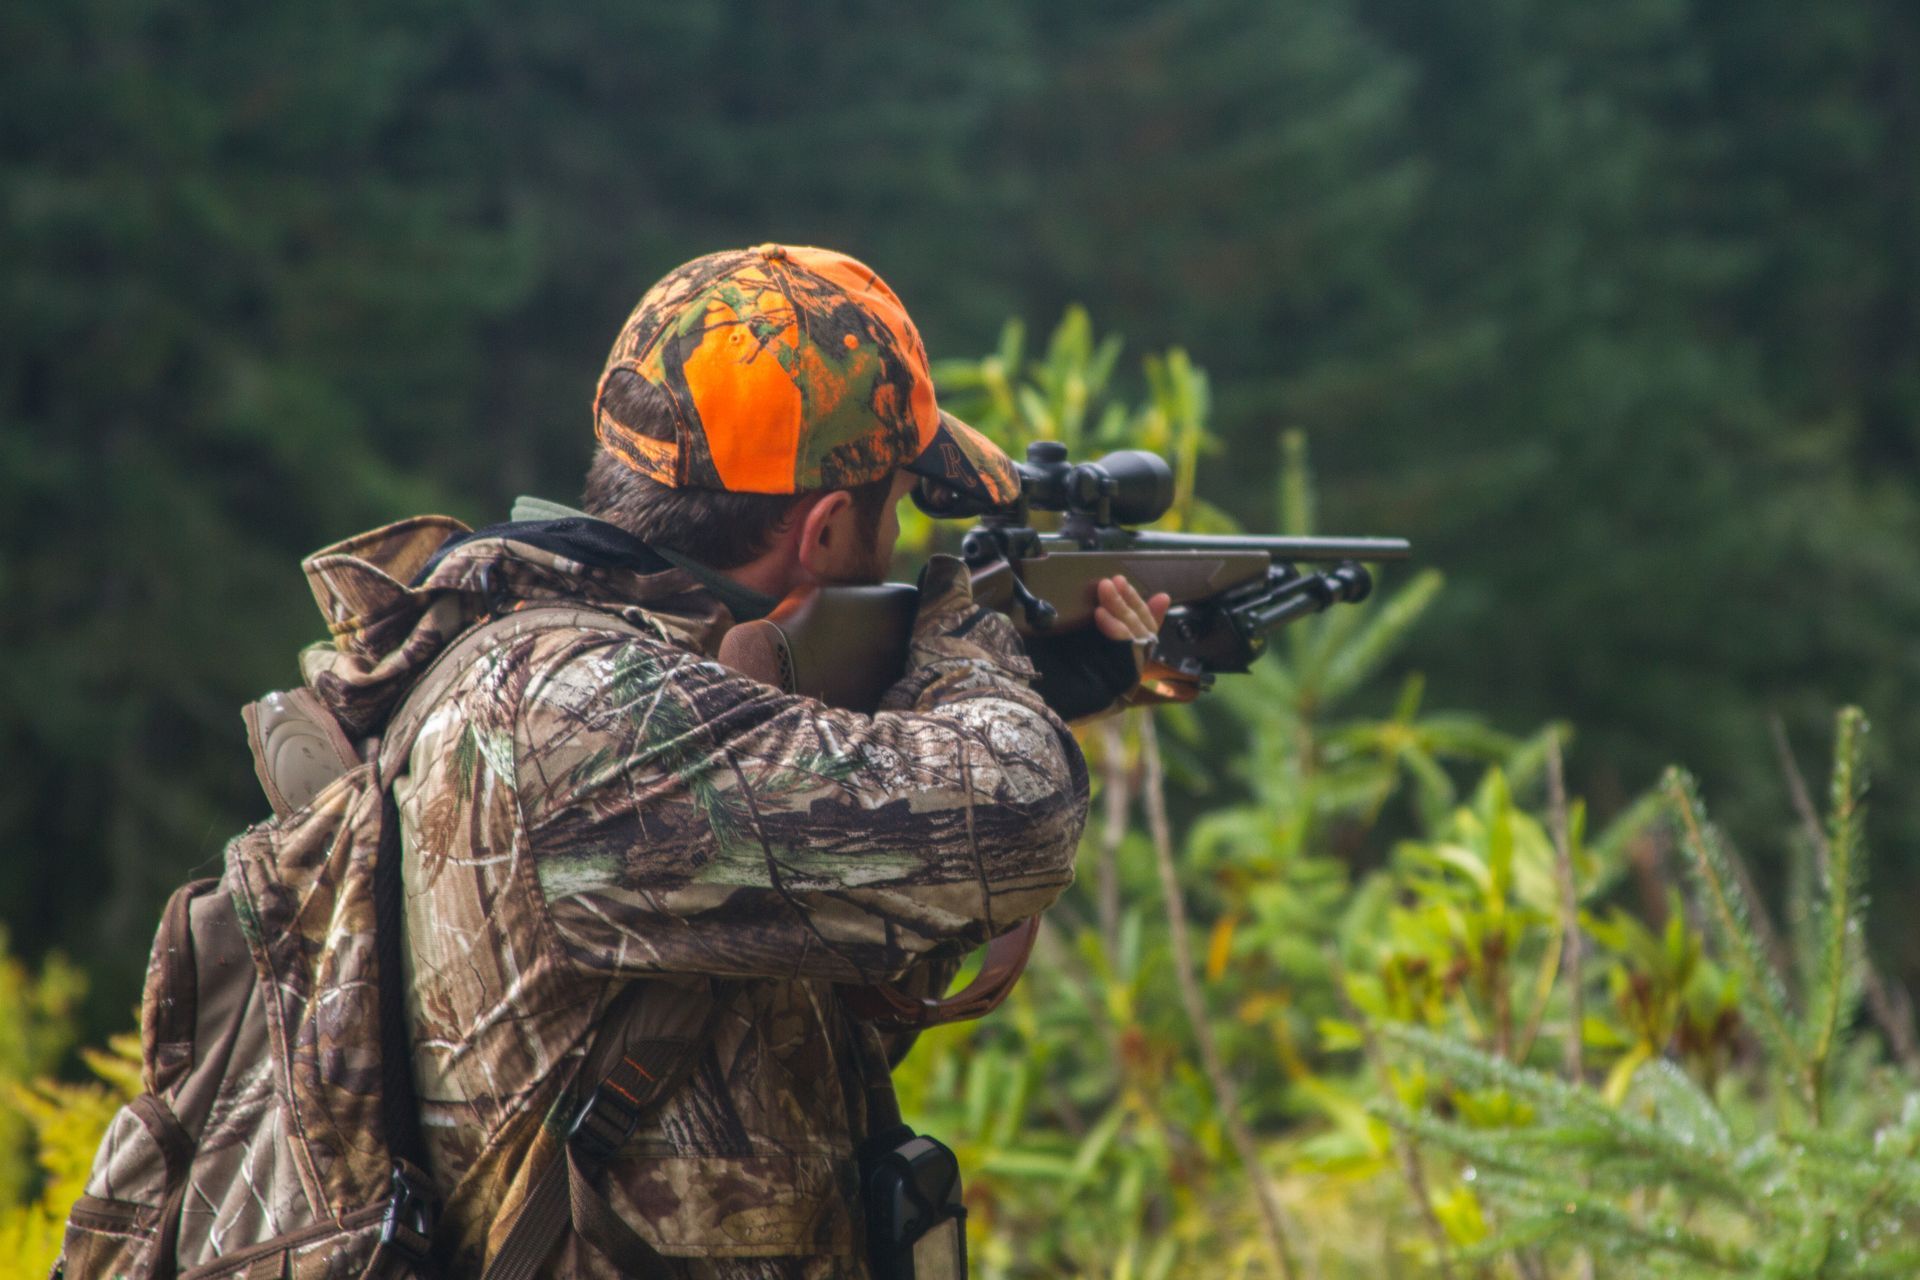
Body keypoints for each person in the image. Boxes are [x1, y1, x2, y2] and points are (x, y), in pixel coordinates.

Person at [299, 244, 1166, 1278]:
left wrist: (1026, 693)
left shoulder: (574, 673)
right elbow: (1016, 819)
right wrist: (971, 653)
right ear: (826, 530)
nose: (900, 539)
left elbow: (795, 1019)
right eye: (897, 509)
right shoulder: (581, 714)